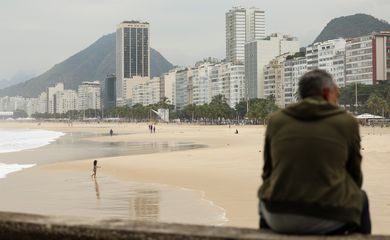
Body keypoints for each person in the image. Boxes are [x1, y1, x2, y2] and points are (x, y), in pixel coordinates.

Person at [258, 69, 371, 235]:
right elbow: (355, 176)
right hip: (330, 218)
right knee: (362, 198)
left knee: (265, 194)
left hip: (277, 216)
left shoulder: (276, 120)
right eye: (337, 95)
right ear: (326, 93)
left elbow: (267, 173)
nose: (337, 100)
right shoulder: (347, 122)